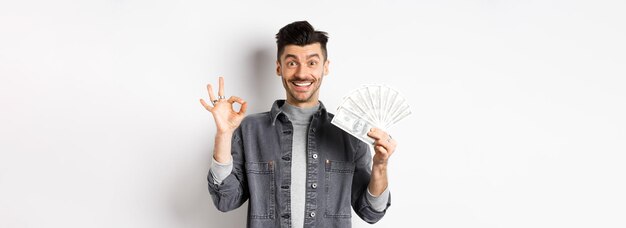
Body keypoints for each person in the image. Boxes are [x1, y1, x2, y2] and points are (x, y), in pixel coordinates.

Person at [199, 21, 397, 228]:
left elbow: (371, 213)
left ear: (325, 67)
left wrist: (381, 165)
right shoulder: (250, 130)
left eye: (312, 63)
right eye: (292, 63)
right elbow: (225, 200)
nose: (302, 74)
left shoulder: (349, 134)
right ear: (279, 67)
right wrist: (223, 134)